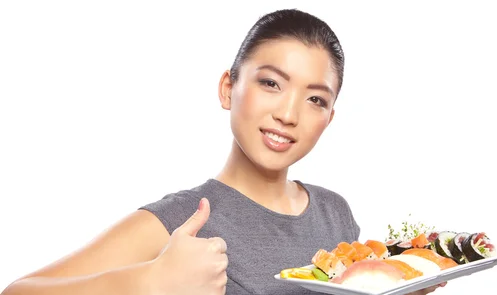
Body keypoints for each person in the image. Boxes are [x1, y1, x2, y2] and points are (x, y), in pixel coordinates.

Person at [1, 9, 445, 295]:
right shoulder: (183, 219)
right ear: (228, 89)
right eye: (271, 82)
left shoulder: (335, 212)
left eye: (315, 99)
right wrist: (148, 282)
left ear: (328, 117)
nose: (289, 114)